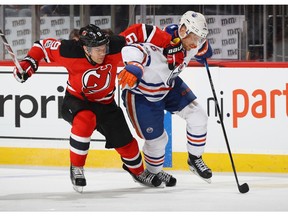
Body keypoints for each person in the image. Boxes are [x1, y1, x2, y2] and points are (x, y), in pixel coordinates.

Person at [12, 23, 176, 192]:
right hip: (76, 101)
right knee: (86, 120)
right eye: (97, 49)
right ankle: (76, 167)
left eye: (104, 47)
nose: (102, 52)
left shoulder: (114, 46)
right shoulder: (69, 51)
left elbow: (142, 30)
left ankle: (138, 172)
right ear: (85, 49)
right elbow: (42, 46)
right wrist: (28, 64)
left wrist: (170, 43)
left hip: (106, 104)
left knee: (128, 145)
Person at [117, 11, 213, 186]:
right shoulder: (160, 42)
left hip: (169, 86)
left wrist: (204, 50)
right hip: (142, 95)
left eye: (198, 38)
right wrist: (134, 66)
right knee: (159, 140)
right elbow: (131, 49)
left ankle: (194, 158)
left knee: (198, 116)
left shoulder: (192, 43)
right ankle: (152, 172)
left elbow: (204, 49)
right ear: (183, 30)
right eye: (193, 37)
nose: (195, 43)